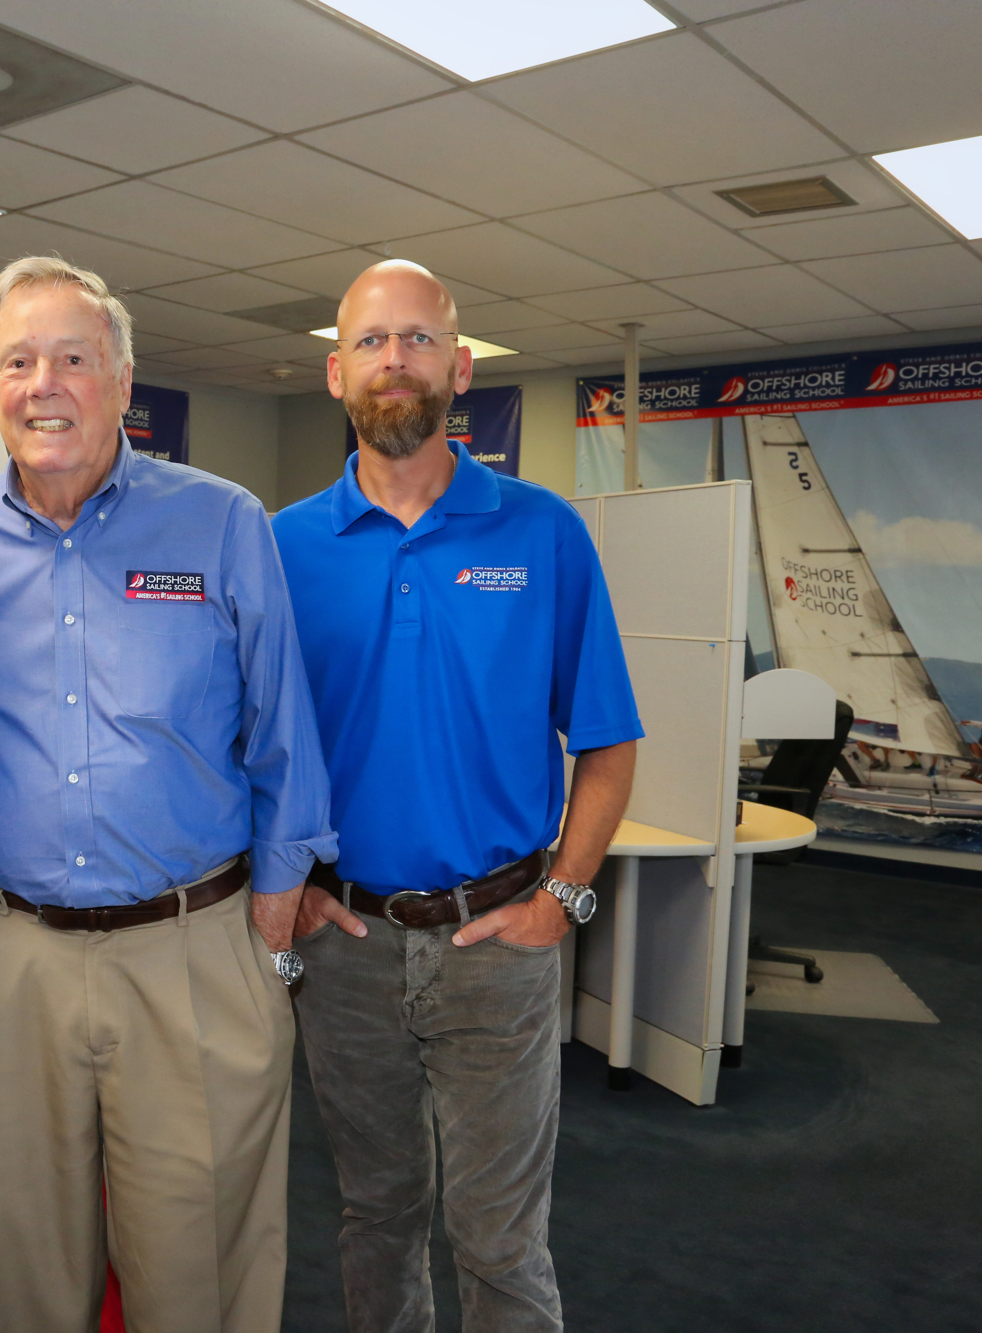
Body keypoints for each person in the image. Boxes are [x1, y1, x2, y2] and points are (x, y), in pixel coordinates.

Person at [0, 255, 336, 1333]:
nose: (45, 382)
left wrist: (272, 914)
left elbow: (285, 726)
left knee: (199, 1271)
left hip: (190, 948)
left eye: (74, 358)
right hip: (11, 956)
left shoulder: (222, 521)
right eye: (18, 359)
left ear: (123, 379)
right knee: (27, 1267)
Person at [271, 261, 643, 1333]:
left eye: (418, 339)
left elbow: (608, 744)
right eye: (373, 342)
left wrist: (561, 899)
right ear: (335, 371)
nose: (396, 360)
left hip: (500, 944)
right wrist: (286, 883)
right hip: (342, 947)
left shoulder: (540, 533)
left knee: (498, 1236)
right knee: (375, 1214)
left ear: (459, 367)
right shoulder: (282, 545)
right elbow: (252, 745)